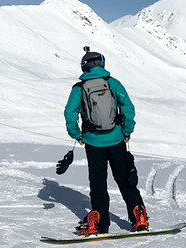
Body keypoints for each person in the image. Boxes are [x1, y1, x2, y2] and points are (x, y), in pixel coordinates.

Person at [63, 50, 149, 235]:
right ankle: (139, 218)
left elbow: (70, 112)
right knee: (125, 180)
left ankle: (99, 224)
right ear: (102, 64)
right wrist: (126, 130)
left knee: (98, 184)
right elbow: (128, 107)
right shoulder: (113, 83)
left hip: (93, 142)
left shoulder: (80, 88)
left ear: (84, 66)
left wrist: (76, 134)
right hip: (116, 138)